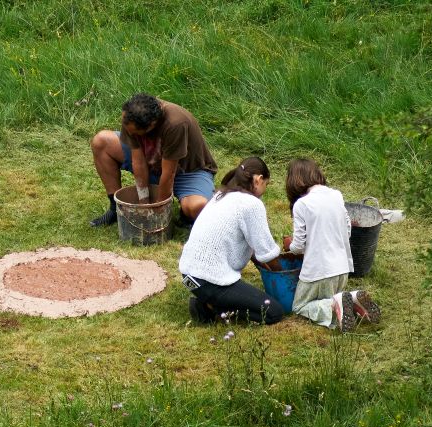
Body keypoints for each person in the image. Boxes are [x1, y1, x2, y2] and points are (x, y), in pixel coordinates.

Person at [178, 157, 285, 325]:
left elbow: (249, 246)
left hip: (189, 275)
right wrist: (282, 275)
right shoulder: (251, 204)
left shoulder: (221, 195)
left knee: (251, 300)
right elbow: (266, 253)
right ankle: (211, 308)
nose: (265, 189)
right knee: (274, 312)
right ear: (258, 180)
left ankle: (207, 301)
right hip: (210, 281)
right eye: (267, 184)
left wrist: (262, 265)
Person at [89, 93, 218, 227]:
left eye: (135, 134)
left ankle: (186, 216)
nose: (129, 134)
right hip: (151, 163)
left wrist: (158, 210)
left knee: (197, 207)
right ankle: (115, 209)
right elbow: (138, 161)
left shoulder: (176, 123)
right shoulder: (131, 116)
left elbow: (169, 174)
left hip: (187, 172)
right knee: (101, 141)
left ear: (151, 125)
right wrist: (143, 202)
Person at [283, 158, 381, 332]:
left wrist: (289, 245)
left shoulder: (302, 205)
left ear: (294, 181)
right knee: (339, 302)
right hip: (342, 270)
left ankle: (333, 304)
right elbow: (348, 226)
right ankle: (350, 299)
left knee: (299, 306)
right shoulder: (336, 195)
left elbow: (298, 247)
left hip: (318, 273)